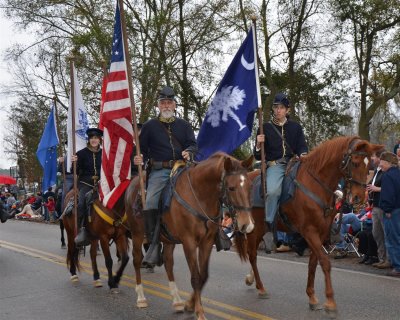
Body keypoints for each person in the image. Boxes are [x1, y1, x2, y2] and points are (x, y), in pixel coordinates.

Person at [133, 86, 197, 266]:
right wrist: (137, 158)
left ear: (175, 105)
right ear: (158, 105)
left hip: (182, 169)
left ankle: (215, 231)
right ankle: (154, 244)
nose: (166, 105)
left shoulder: (184, 125)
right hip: (160, 171)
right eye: (163, 103)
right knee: (151, 201)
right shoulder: (149, 126)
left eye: (169, 102)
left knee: (203, 190)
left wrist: (189, 152)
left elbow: (193, 145)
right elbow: (141, 150)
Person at [254, 92, 308, 250]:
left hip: (294, 163)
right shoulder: (265, 128)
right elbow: (257, 155)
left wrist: (303, 154)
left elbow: (302, 146)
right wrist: (258, 144)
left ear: (287, 110)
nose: (278, 110)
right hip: (276, 165)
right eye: (276, 107)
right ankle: (270, 225)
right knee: (273, 191)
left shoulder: (295, 127)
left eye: (281, 108)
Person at [72, 127, 103, 246]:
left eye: (96, 138)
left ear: (99, 140)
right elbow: (74, 171)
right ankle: (82, 229)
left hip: (102, 183)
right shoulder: (81, 153)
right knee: (81, 203)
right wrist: (74, 162)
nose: (94, 140)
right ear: (89, 140)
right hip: (86, 183)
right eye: (92, 138)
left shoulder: (104, 153)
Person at [367, 148, 390, 268]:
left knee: (386, 233)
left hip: (383, 206)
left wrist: (377, 189)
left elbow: (390, 187)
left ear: (380, 158)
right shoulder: (376, 170)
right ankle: (381, 258)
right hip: (374, 205)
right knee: (376, 233)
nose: (372, 158)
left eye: (373, 156)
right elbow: (371, 185)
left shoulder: (387, 171)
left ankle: (389, 259)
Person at [379, 152, 400, 277]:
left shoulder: (387, 176)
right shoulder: (398, 173)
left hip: (392, 212)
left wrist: (387, 210)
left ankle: (397, 267)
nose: (380, 165)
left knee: (392, 239)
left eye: (382, 162)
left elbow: (388, 195)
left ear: (387, 162)